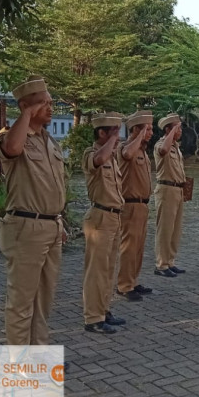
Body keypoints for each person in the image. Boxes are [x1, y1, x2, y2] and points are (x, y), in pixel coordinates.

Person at [0, 76, 67, 347]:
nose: (50, 108)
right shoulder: (9, 137)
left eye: (50, 102)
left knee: (44, 299)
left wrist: (59, 222)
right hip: (26, 227)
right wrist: (25, 114)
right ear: (26, 106)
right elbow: (13, 149)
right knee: (22, 300)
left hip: (50, 226)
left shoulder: (50, 141)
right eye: (43, 103)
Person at [82, 113, 127, 333]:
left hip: (113, 217)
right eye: (114, 133)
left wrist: (113, 141)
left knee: (108, 270)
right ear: (101, 133)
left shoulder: (112, 156)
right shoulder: (91, 153)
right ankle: (93, 318)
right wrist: (113, 141)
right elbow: (97, 160)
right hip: (99, 217)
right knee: (96, 271)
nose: (118, 138)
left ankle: (104, 310)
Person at [116, 110, 154, 302]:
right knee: (129, 247)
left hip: (142, 205)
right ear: (136, 130)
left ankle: (133, 280)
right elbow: (126, 154)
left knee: (138, 247)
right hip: (130, 204)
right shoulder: (125, 147)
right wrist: (139, 135)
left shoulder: (142, 151)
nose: (151, 133)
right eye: (148, 129)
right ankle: (124, 285)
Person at [153, 113, 187, 277]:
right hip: (166, 189)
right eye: (177, 128)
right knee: (165, 229)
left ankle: (170, 261)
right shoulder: (161, 144)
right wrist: (172, 132)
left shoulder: (176, 147)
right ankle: (161, 264)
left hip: (178, 190)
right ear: (168, 129)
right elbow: (163, 151)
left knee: (175, 229)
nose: (180, 131)